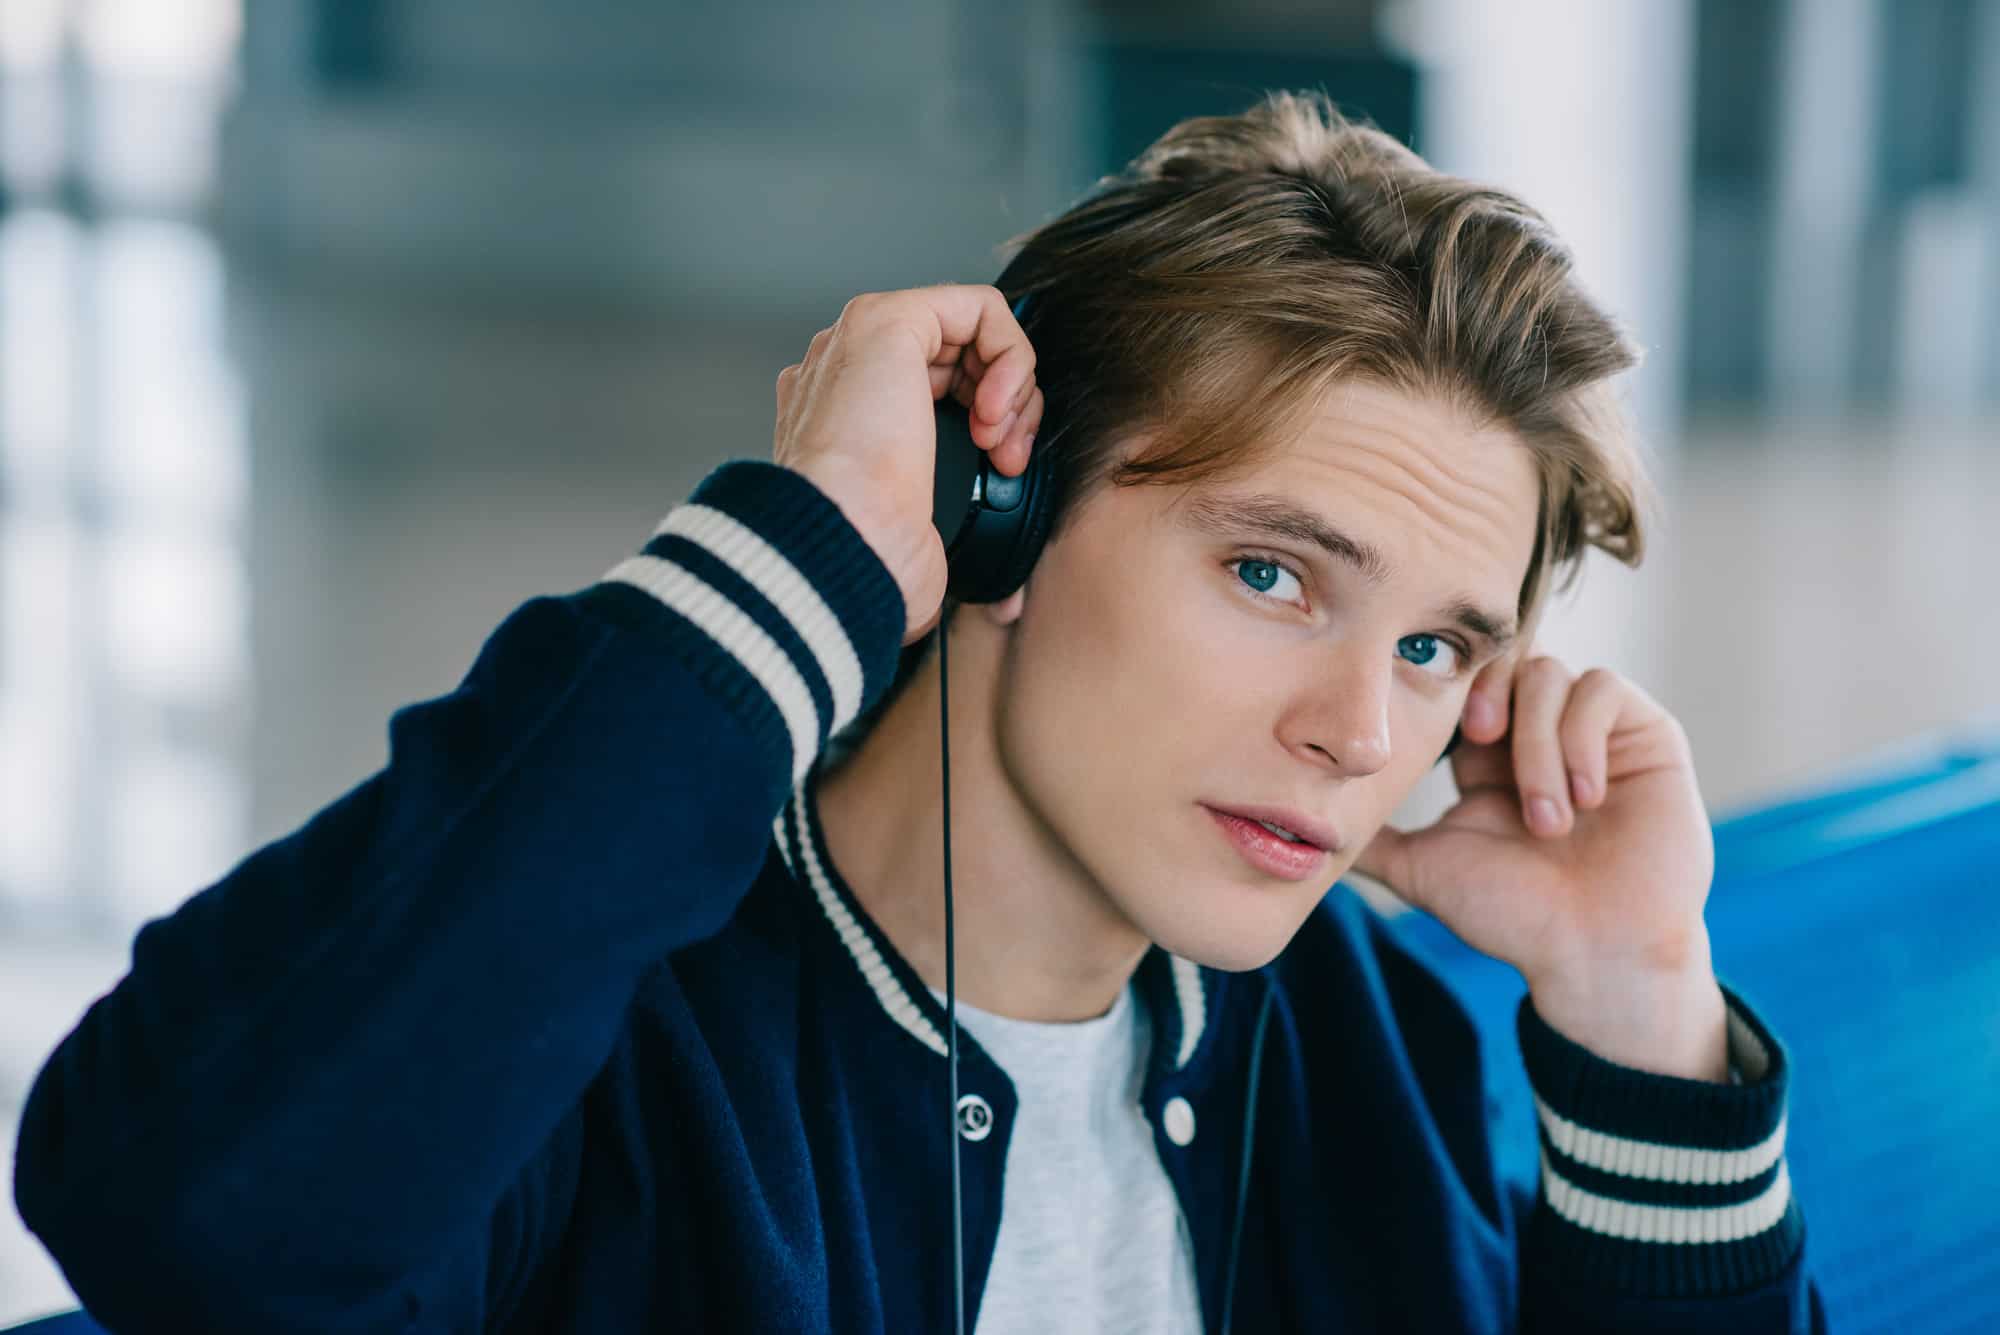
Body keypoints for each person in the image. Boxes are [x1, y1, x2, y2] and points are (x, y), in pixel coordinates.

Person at [13, 90, 1825, 1332]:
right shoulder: (612, 1050)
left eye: (1437, 648)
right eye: (1272, 575)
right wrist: (807, 560)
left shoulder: (1351, 1039)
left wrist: (1640, 1014)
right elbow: (189, 1220)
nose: (1363, 732)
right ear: (996, 517)